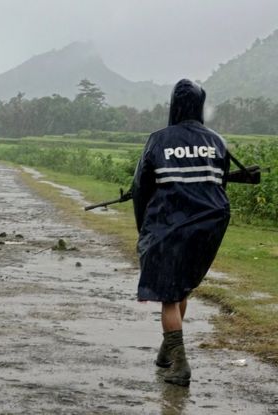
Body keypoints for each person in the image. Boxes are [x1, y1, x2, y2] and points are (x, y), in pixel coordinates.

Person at [132, 79, 230, 387]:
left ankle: (180, 364)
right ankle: (167, 349)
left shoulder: (158, 140)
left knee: (169, 296)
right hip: (212, 224)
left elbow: (141, 189)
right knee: (181, 288)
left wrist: (145, 231)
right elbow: (220, 183)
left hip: (171, 225)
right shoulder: (216, 140)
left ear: (173, 105)